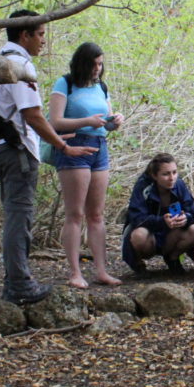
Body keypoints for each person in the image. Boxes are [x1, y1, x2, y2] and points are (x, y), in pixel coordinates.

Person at [0, 10, 98, 305]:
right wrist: (62, 147)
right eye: (40, 34)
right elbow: (33, 115)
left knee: (15, 213)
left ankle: (16, 281)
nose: (44, 42)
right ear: (24, 35)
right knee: (19, 216)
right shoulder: (19, 65)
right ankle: (19, 284)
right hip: (17, 149)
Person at [48, 42, 123, 288]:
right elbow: (55, 122)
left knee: (97, 214)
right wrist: (86, 121)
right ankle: (75, 272)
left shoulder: (101, 87)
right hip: (74, 147)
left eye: (100, 64)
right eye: (93, 64)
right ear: (82, 63)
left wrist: (114, 121)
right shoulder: (65, 83)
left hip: (99, 146)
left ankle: (101, 271)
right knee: (75, 213)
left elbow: (105, 122)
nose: (97, 69)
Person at [122, 153, 194, 275]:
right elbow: (136, 218)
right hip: (149, 235)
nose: (171, 178)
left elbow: (191, 213)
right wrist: (161, 221)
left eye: (174, 172)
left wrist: (186, 218)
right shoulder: (143, 187)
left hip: (171, 234)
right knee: (138, 235)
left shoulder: (179, 184)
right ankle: (138, 263)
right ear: (154, 175)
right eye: (165, 174)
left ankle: (173, 258)